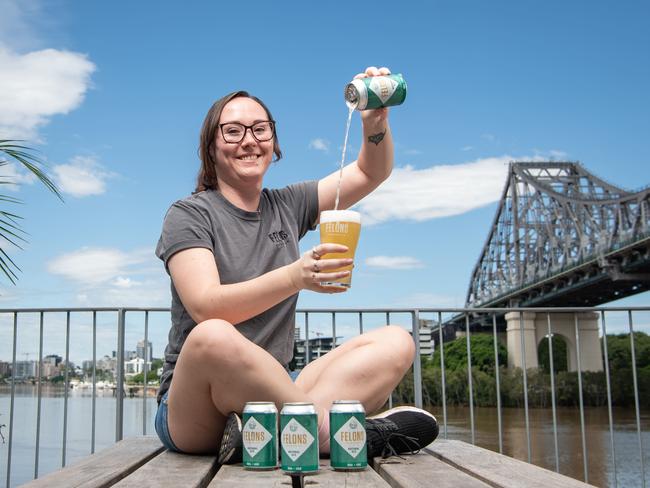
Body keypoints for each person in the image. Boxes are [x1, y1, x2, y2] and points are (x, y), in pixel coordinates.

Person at [154, 66, 438, 463]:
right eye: (233, 131)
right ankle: (335, 436)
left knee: (396, 341)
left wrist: (374, 122)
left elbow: (370, 171)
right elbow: (205, 305)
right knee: (212, 336)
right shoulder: (188, 214)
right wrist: (295, 276)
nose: (249, 141)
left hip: (277, 390)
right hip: (194, 408)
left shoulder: (288, 204)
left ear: (274, 141)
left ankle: (266, 431)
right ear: (211, 147)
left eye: (260, 129)